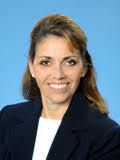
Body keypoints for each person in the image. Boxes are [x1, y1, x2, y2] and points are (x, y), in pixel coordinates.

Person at [0, 14, 120, 160]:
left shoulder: (107, 135)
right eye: (46, 62)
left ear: (84, 68)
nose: (58, 74)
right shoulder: (7, 118)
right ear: (31, 66)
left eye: (69, 62)